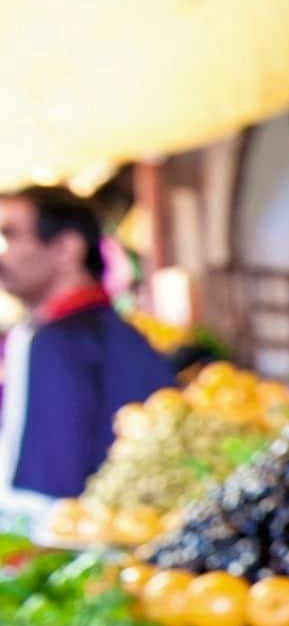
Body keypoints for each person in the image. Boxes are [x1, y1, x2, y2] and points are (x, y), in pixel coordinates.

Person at [0, 187, 174, 531]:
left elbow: (48, 487)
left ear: (66, 247)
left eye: (9, 236)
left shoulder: (64, 343)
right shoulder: (74, 334)